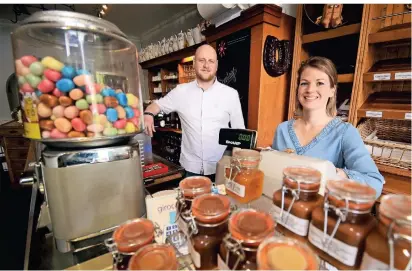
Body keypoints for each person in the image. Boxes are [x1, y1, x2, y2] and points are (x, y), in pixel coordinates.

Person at [272, 56, 384, 197]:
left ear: (332, 90)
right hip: (285, 209)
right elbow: (275, 175)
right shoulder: (282, 130)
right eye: (304, 83)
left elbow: (375, 183)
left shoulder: (345, 133)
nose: (310, 89)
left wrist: (337, 174)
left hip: (323, 214)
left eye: (320, 83)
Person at [144, 44, 245, 181]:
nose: (206, 65)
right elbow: (156, 105)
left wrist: (238, 169)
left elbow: (239, 134)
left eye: (211, 61)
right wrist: (148, 115)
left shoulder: (231, 95)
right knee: (191, 202)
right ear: (194, 63)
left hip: (221, 169)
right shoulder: (181, 91)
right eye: (201, 60)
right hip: (190, 169)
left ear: (216, 65)